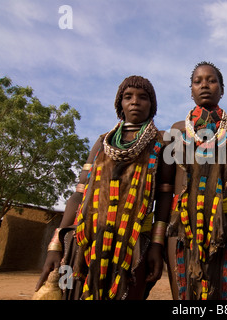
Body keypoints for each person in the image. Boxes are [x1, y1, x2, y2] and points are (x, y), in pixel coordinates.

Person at [35, 75, 172, 300]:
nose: (135, 101)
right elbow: (79, 195)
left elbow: (165, 198)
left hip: (134, 244)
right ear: (120, 104)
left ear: (152, 105)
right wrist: (55, 244)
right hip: (83, 243)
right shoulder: (102, 142)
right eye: (128, 97)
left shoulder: (162, 142)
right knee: (72, 292)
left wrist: (157, 244)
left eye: (143, 97)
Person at [165, 61, 227, 300]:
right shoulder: (177, 130)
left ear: (222, 88)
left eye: (212, 81)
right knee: (184, 297)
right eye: (198, 81)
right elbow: (167, 185)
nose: (204, 85)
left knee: (224, 294)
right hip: (182, 223)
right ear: (190, 90)